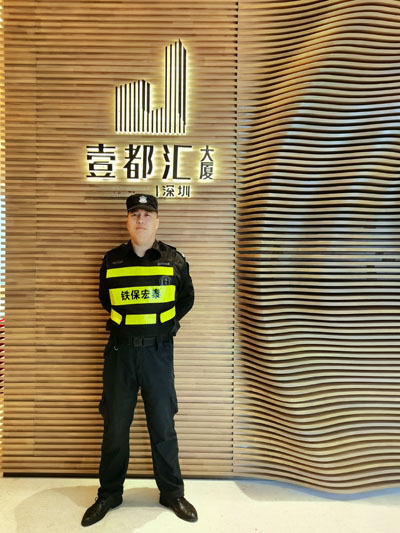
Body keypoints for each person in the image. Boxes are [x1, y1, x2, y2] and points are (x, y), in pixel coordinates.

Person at [81, 193, 197, 527]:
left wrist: (164, 326)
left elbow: (187, 299)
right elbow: (106, 299)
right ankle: (109, 494)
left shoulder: (173, 259)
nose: (141, 219)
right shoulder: (112, 260)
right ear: (128, 221)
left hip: (158, 354)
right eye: (135, 214)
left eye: (147, 214)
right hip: (120, 354)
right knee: (115, 426)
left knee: (163, 425)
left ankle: (172, 493)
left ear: (157, 221)